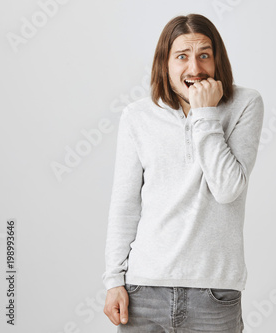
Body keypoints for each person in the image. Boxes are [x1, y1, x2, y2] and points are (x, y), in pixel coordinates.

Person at [101, 13, 264, 332]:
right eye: (182, 56)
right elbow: (125, 206)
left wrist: (205, 113)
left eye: (205, 55)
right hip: (142, 290)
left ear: (218, 60)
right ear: (165, 62)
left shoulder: (245, 104)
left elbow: (228, 188)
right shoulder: (138, 116)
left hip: (214, 292)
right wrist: (113, 280)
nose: (195, 68)